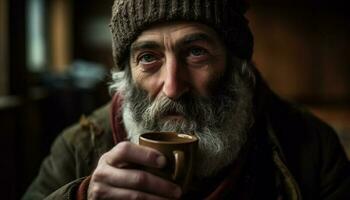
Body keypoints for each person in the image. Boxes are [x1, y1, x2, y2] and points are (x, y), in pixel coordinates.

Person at [23, 0, 350, 199]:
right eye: (149, 58)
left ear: (238, 67)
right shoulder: (80, 146)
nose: (172, 87)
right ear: (127, 74)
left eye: (196, 53)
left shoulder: (311, 145)